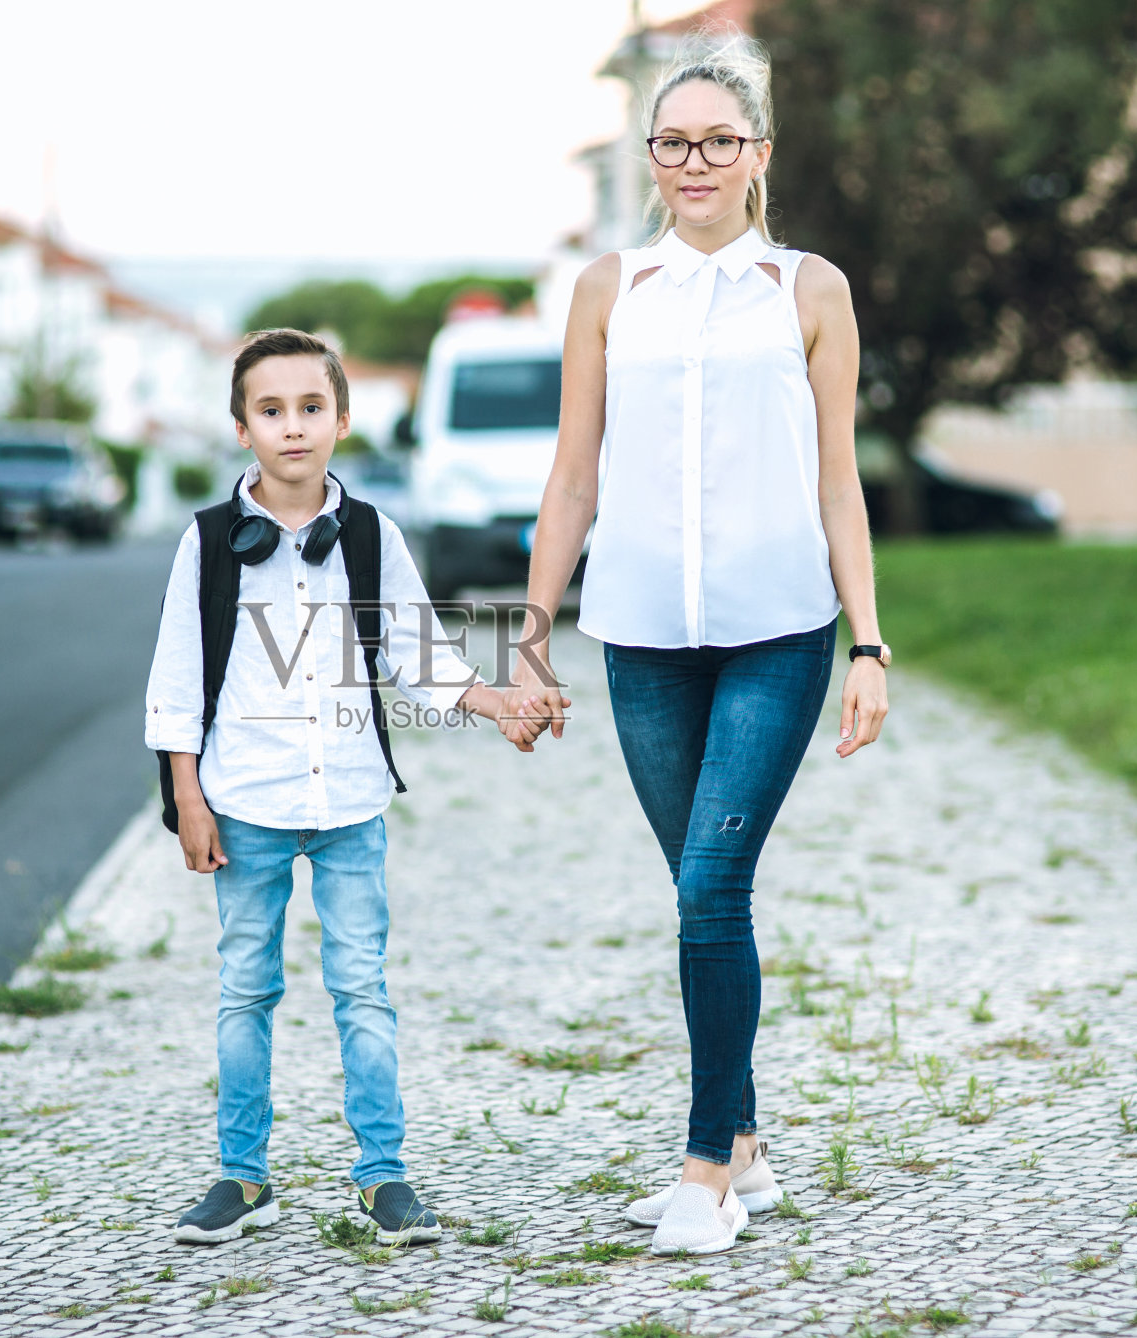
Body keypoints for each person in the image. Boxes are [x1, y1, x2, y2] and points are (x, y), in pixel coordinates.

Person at [498, 29, 890, 1257]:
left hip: (781, 632)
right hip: (640, 638)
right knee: (698, 895)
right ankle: (752, 1146)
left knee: (711, 891)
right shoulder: (609, 290)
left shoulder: (807, 291)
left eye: (721, 140)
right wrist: (529, 636)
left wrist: (867, 647)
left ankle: (705, 1171)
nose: (696, 160)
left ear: (758, 153)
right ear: (651, 157)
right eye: (674, 142)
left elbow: (839, 483)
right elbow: (572, 476)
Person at [146, 328, 511, 1247]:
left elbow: (422, 658)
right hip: (247, 805)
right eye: (272, 411)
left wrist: (497, 702)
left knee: (364, 990)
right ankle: (241, 1174)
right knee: (245, 991)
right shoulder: (206, 546)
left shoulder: (373, 536)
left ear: (341, 420)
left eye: (311, 408)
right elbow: (178, 681)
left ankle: (384, 1176)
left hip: (350, 804)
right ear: (242, 428)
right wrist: (187, 798)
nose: (293, 427)